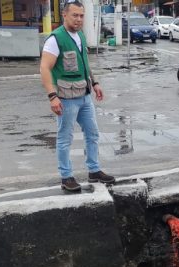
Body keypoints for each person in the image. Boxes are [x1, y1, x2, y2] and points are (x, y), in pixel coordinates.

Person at [40, 0, 115, 192]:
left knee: (93, 134)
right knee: (65, 138)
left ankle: (94, 170)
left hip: (84, 94)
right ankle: (66, 176)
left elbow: (85, 64)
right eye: (75, 15)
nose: (79, 19)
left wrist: (95, 82)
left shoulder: (80, 35)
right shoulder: (55, 39)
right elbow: (45, 68)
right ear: (65, 15)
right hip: (66, 97)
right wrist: (52, 96)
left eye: (82, 15)